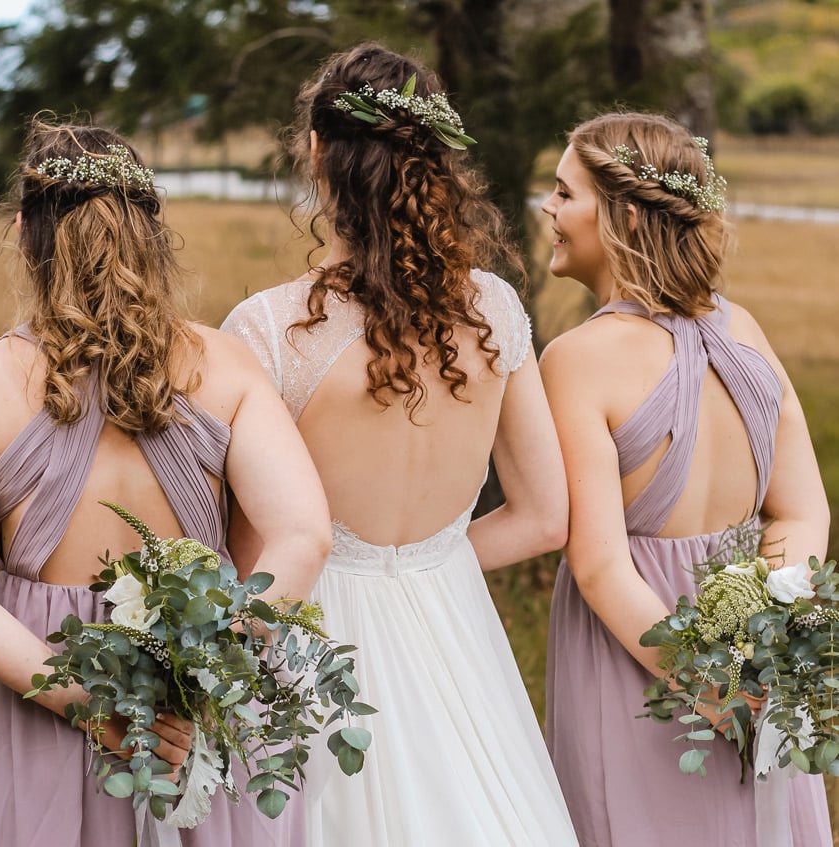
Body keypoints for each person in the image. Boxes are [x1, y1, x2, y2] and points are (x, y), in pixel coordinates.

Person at [220, 42, 578, 847]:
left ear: (317, 152)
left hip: (307, 645)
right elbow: (546, 517)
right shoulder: (494, 311)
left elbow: (246, 549)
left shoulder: (271, 331)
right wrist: (424, 561)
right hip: (453, 624)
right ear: (434, 163)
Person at [0, 119, 332, 847]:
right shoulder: (227, 364)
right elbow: (303, 534)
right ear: (152, 231)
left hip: (49, 699)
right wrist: (197, 672)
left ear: (25, 232)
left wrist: (99, 705)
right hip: (201, 720)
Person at [539, 110, 832, 847]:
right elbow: (802, 515)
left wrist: (709, 681)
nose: (547, 208)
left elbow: (603, 564)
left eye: (564, 192)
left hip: (632, 663)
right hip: (757, 664)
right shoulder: (747, 331)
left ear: (625, 218)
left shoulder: (577, 358)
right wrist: (764, 643)